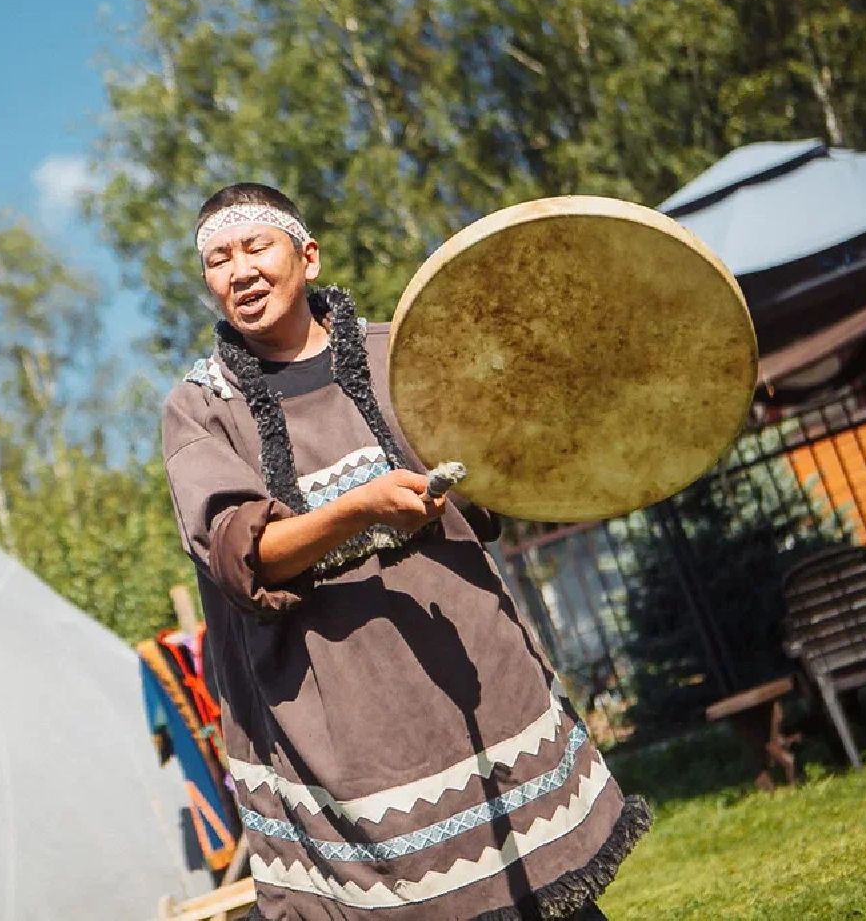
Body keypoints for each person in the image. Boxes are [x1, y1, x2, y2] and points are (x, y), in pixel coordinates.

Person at [161, 183, 649, 920]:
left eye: (255, 247)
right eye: (217, 260)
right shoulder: (200, 408)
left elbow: (509, 470)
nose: (239, 271)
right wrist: (358, 507)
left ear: (307, 255)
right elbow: (245, 556)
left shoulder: (409, 355)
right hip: (340, 725)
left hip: (476, 680)